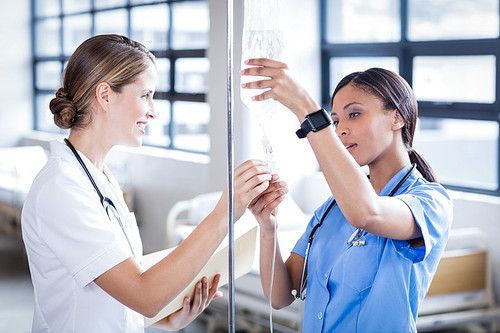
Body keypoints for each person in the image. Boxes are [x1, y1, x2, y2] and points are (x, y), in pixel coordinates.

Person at [21, 34, 275, 333]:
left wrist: (166, 319)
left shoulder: (99, 178)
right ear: (105, 95)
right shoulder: (62, 188)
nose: (153, 110)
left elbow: (112, 289)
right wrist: (225, 213)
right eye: (145, 95)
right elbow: (143, 294)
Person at [241, 58, 453, 332]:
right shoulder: (332, 208)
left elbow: (367, 213)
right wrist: (268, 228)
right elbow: (280, 297)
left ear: (397, 117)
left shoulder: (431, 202)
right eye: (335, 120)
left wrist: (307, 108)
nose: (340, 130)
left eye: (354, 114)